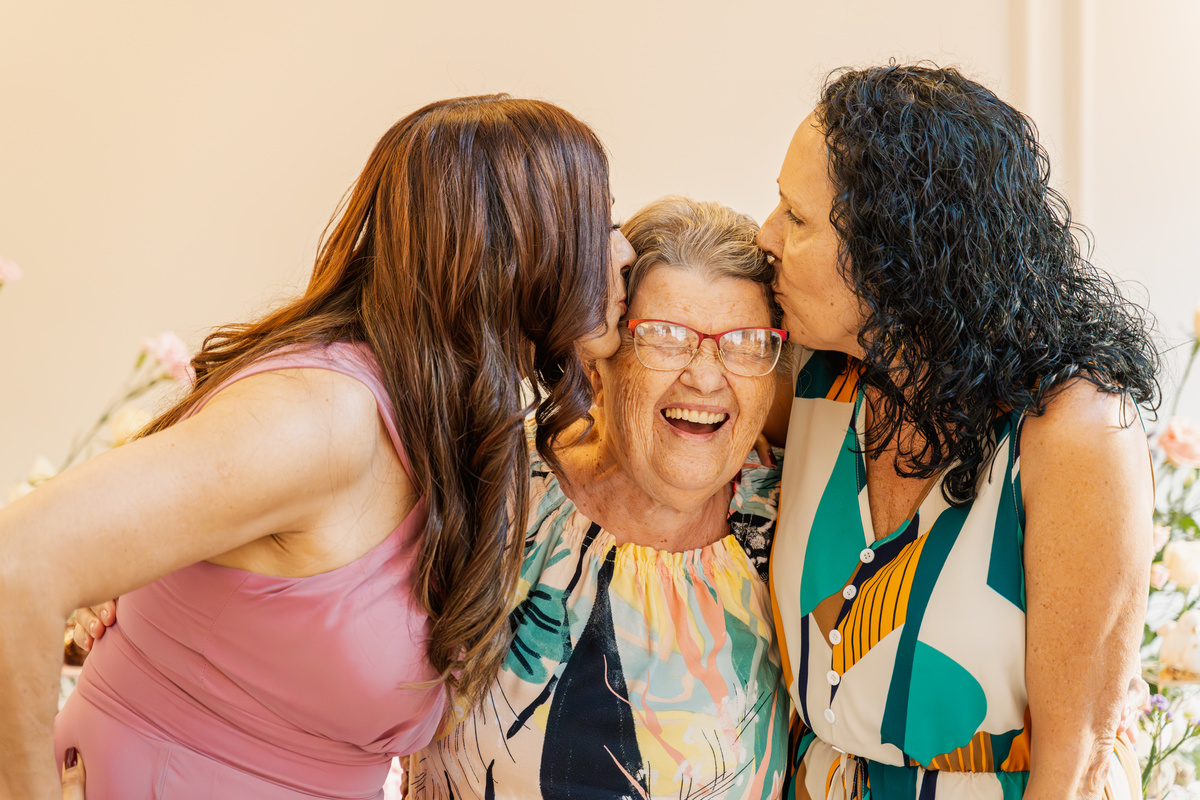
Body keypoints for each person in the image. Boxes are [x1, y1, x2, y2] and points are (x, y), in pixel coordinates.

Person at [0, 94, 636, 800]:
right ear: (523, 247)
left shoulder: (458, 438)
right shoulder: (323, 418)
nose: (625, 250)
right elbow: (14, 567)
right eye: (603, 222)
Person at [758, 65, 1157, 799]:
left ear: (895, 253)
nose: (766, 235)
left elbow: (1076, 766)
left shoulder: (1075, 431)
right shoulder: (815, 380)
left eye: (797, 217)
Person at [399, 196, 792, 798]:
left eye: (743, 343)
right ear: (603, 356)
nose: (707, 377)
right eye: (664, 337)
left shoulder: (792, 527)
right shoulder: (496, 489)